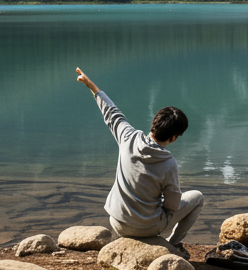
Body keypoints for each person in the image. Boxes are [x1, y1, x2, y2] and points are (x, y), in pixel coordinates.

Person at [75, 67, 204, 258]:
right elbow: (172, 204)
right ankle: (174, 244)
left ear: (154, 123)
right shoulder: (169, 163)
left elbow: (111, 113)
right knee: (197, 197)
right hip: (148, 228)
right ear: (174, 137)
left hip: (118, 222)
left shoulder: (127, 138)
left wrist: (91, 86)